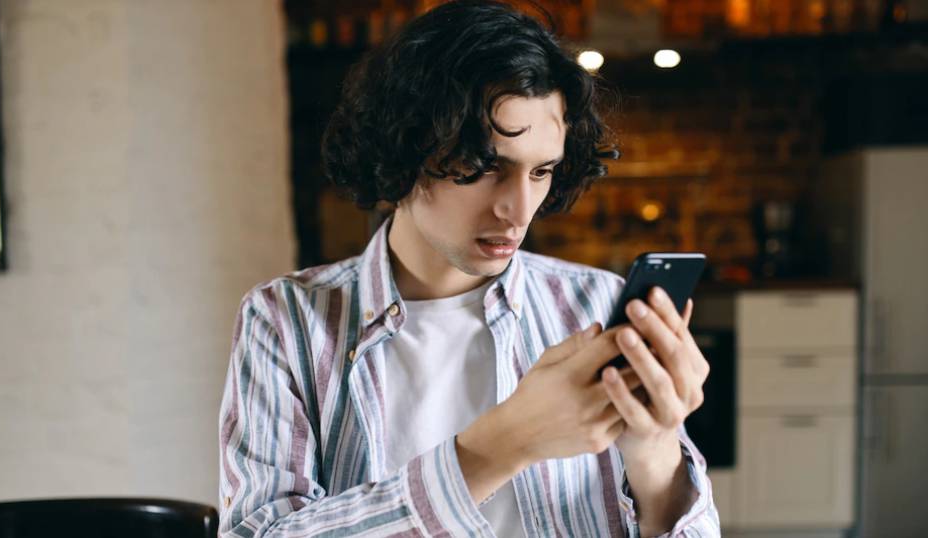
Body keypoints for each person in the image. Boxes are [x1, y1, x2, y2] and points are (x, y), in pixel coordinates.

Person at [218, 1, 720, 536]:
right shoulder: (287, 320)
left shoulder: (595, 305)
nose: (519, 210)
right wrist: (506, 442)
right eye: (485, 167)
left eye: (542, 171)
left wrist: (654, 450)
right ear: (405, 148)